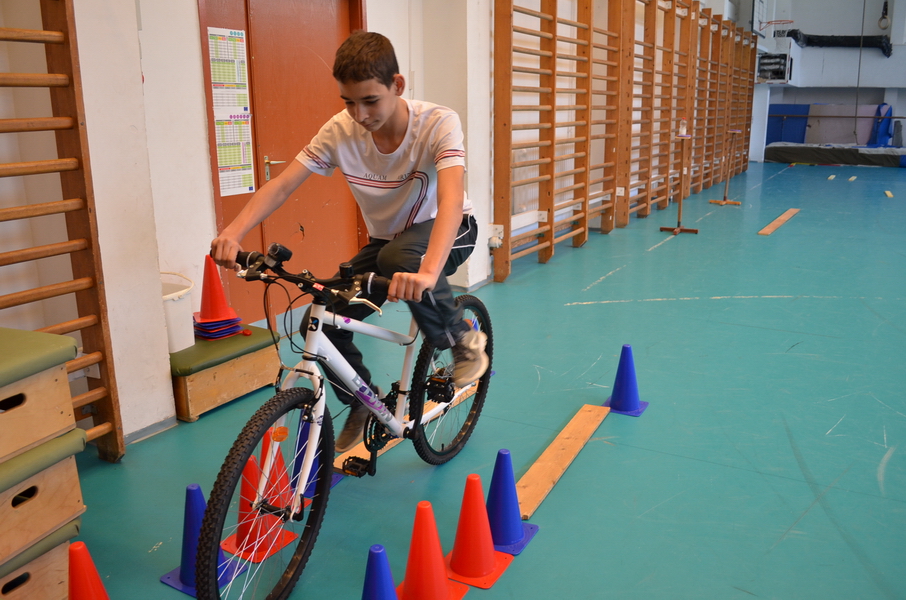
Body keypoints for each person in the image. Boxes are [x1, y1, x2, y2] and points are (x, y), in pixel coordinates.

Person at [210, 31, 488, 453]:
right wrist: (233, 231)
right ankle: (362, 401)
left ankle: (461, 340)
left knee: (400, 256)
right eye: (349, 102)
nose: (359, 114)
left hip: (450, 231)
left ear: (397, 85)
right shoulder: (340, 131)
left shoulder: (437, 123)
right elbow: (282, 185)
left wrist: (429, 271)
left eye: (370, 101)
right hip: (389, 245)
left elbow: (450, 199)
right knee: (320, 318)